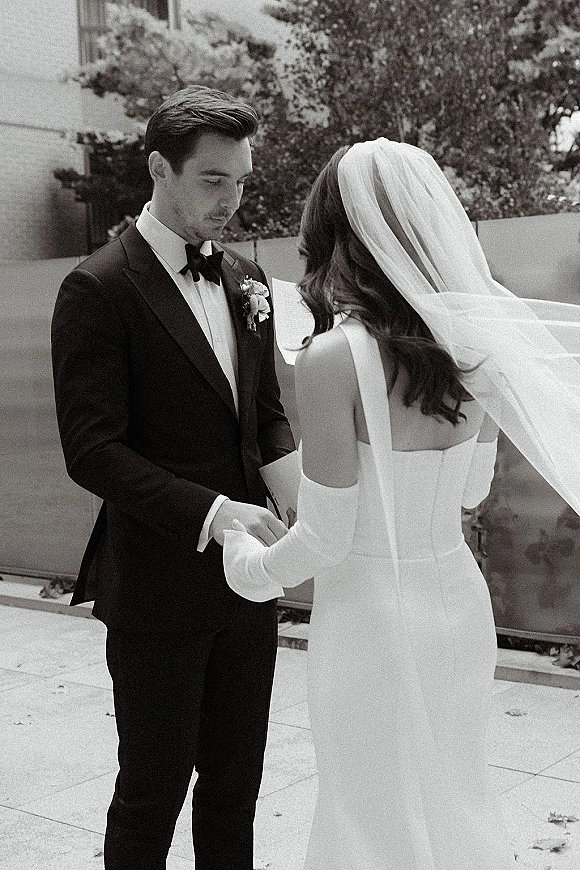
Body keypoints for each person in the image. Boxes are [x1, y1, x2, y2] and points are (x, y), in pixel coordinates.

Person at [223, 139, 580, 869]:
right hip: (458, 608)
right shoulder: (468, 349)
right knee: (455, 799)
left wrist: (245, 560)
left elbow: (324, 539)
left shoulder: (332, 359)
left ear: (334, 234)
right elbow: (474, 493)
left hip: (370, 623)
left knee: (366, 815)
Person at [51, 85, 296, 870]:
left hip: (250, 588)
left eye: (243, 180)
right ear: (160, 167)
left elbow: (263, 415)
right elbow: (92, 450)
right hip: (157, 587)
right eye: (214, 180)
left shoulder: (249, 279)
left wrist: (300, 494)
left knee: (236, 789)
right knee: (152, 790)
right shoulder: (98, 287)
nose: (232, 199)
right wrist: (218, 512)